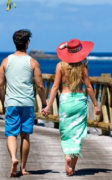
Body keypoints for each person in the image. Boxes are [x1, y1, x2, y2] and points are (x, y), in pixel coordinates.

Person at [42, 39, 100, 176]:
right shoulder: (83, 66)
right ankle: (72, 167)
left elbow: (55, 87)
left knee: (66, 132)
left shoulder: (60, 66)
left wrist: (48, 106)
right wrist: (96, 105)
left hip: (66, 101)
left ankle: (67, 156)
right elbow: (89, 87)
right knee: (77, 134)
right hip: (79, 101)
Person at [0, 29, 47, 177]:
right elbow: (40, 85)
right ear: (27, 43)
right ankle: (23, 167)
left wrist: (2, 101)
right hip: (27, 103)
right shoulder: (32, 62)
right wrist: (44, 103)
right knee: (25, 135)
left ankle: (14, 158)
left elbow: (0, 85)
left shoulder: (6, 61)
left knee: (11, 134)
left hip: (11, 102)